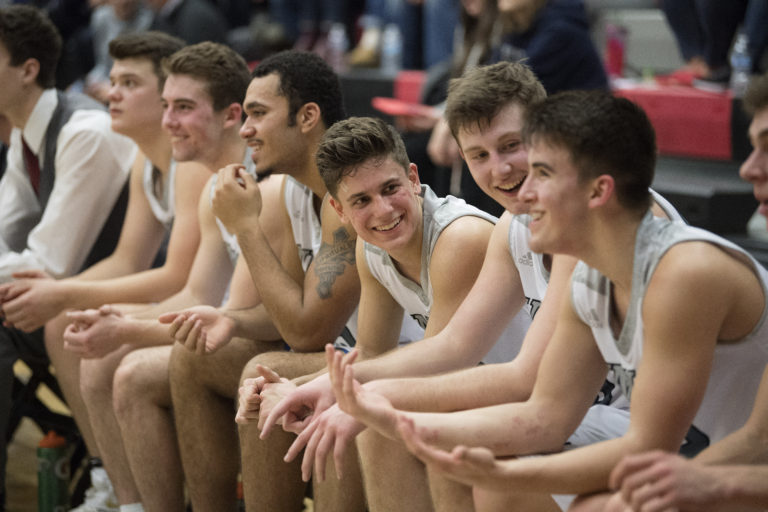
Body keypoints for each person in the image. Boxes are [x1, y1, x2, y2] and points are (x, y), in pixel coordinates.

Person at [255, 61, 681, 512]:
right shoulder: (518, 228)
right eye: (479, 155)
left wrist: (362, 398)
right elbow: (451, 346)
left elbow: (524, 381)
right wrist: (329, 387)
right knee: (426, 441)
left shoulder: (574, 223)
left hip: (680, 438)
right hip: (600, 413)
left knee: (465, 458)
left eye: (511, 145)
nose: (500, 168)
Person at [338, 89, 768, 511]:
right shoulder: (589, 273)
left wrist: (502, 472)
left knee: (560, 495)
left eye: (540, 174)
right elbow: (546, 414)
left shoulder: (683, 271)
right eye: (479, 155)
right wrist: (392, 418)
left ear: (597, 192)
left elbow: (650, 448)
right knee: (491, 477)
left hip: (727, 463)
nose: (521, 192)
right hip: (677, 443)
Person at [240, 114, 500, 511]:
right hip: (484, 387)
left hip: (540, 392)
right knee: (347, 406)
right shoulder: (371, 247)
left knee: (376, 417)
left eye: (391, 188)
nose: (382, 211)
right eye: (361, 200)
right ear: (339, 210)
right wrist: (295, 389)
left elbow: (444, 361)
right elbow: (373, 353)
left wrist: (320, 391)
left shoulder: (459, 237)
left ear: (414, 178)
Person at [0, 30, 210, 512]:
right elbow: (126, 259)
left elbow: (179, 279)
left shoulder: (193, 165)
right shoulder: (146, 160)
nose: (109, 93)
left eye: (128, 83)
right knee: (66, 321)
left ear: (165, 99)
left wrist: (63, 295)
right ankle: (113, 486)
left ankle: (133, 495)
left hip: (212, 304)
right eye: (112, 81)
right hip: (188, 296)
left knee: (80, 330)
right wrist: (62, 292)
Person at [57, 42, 271, 511]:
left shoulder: (262, 185)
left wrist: (129, 327)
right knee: (102, 349)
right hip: (241, 329)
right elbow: (196, 292)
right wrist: (120, 316)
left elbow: (236, 314)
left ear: (231, 115)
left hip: (288, 343)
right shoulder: (216, 183)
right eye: (167, 106)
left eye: (184, 108)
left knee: (133, 371)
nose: (168, 120)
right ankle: (125, 501)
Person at [161, 50, 367, 512]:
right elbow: (287, 311)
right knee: (192, 357)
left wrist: (246, 228)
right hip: (343, 355)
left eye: (257, 114)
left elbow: (305, 330)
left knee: (262, 374)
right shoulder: (295, 190)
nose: (245, 129)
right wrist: (232, 321)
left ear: (308, 116)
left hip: (397, 363)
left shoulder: (352, 193)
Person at [591, 71, 768, 512]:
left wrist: (709, 484)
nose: (749, 168)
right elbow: (759, 438)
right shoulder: (583, 270)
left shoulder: (688, 270)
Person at [0, 5, 135, 507]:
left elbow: (48, 263)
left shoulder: (85, 132)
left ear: (27, 69)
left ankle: (107, 476)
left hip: (109, 296)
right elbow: (5, 234)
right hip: (58, 300)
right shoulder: (26, 138)